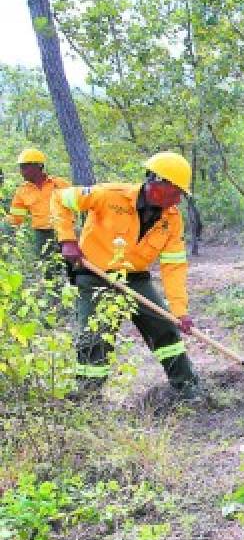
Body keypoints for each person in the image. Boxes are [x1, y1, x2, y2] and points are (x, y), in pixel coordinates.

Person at [51, 152, 206, 403]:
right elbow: (59, 199)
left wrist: (179, 311)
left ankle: (188, 389)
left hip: (136, 278)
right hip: (94, 275)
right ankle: (87, 399)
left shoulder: (172, 219)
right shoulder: (109, 195)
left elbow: (174, 267)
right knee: (95, 337)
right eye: (176, 192)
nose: (178, 199)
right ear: (158, 184)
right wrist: (67, 239)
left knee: (164, 328)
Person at [7, 148, 72, 284]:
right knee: (49, 271)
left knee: (73, 267)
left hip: (66, 231)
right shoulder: (22, 191)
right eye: (21, 167)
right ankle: (54, 302)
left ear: (38, 166)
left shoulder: (60, 184)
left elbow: (77, 206)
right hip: (42, 235)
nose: (21, 171)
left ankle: (75, 296)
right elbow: (15, 219)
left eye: (25, 167)